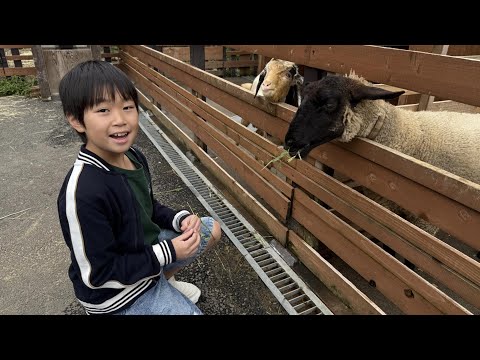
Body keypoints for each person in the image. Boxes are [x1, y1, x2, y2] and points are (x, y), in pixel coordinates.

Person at [56, 60, 222, 315]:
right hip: (116, 294)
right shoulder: (83, 191)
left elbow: (147, 206)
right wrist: (169, 252)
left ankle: (163, 283)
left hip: (144, 257)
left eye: (127, 107)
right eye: (103, 110)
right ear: (77, 121)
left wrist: (180, 220)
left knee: (209, 230)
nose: (120, 120)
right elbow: (97, 274)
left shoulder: (134, 157)